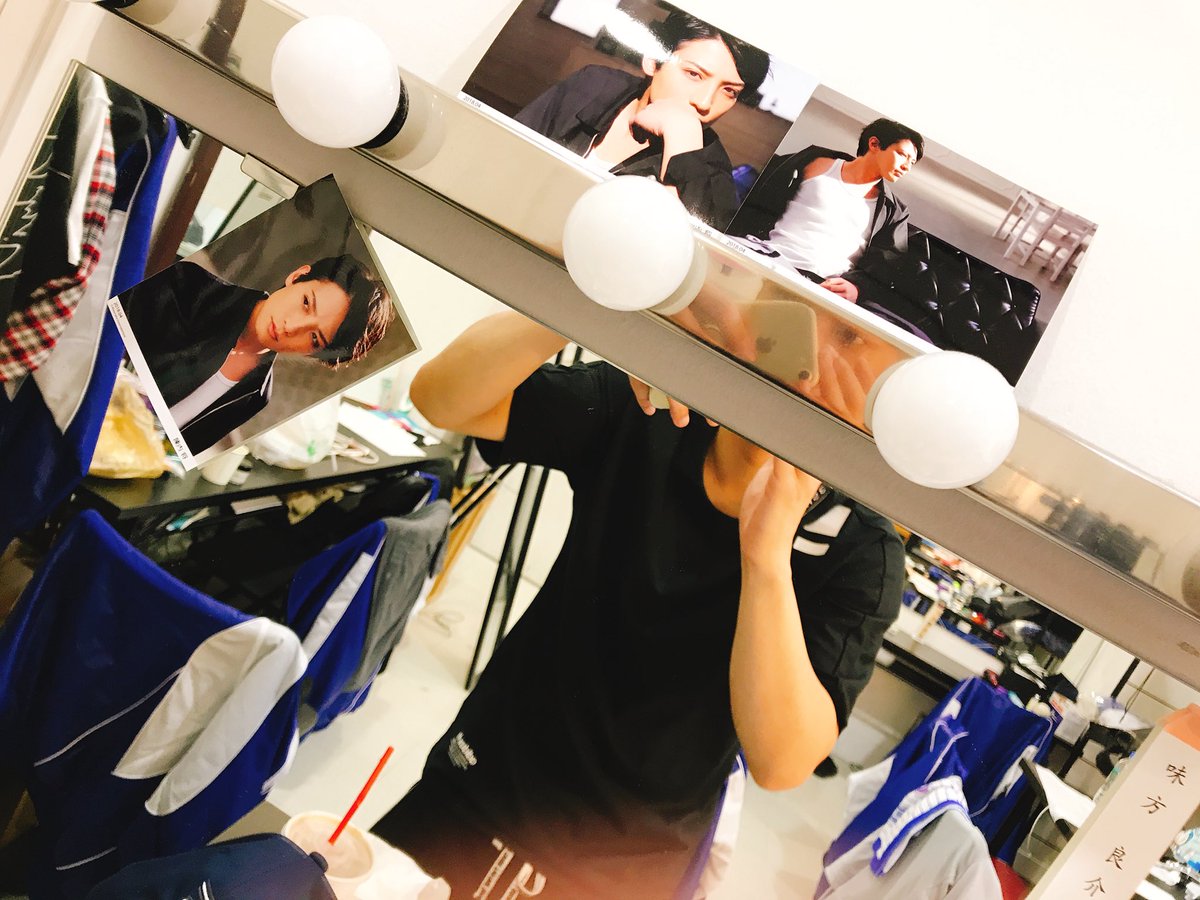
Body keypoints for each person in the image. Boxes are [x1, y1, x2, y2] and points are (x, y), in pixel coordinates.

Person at [372, 311, 905, 898]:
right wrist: (593, 300)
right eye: (830, 326)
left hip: (624, 860)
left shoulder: (859, 549)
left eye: (855, 347)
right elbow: (442, 399)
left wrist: (767, 557)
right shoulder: (656, 407)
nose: (820, 364)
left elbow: (782, 762)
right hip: (483, 777)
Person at [515, 11, 771, 227]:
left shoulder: (715, 173)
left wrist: (683, 139)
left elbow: (678, 254)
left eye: (729, 91)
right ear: (652, 60)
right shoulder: (595, 85)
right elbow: (510, 151)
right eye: (694, 74)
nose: (704, 103)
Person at [118, 254, 392, 454]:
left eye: (314, 338)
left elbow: (177, 452)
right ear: (297, 276)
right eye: (306, 303)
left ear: (314, 354)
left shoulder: (257, 395)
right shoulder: (186, 286)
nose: (291, 326)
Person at [728, 118, 924, 307]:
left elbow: (889, 266)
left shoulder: (894, 211)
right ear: (874, 144)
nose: (906, 167)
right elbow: (759, 201)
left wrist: (857, 287)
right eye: (902, 154)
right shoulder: (815, 162)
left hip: (824, 286)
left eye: (912, 162)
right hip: (769, 257)